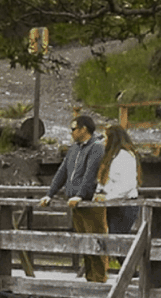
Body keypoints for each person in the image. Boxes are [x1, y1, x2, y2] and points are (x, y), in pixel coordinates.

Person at [41, 114, 107, 282]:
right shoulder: (74, 149)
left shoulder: (96, 147)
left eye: (73, 129)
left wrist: (80, 195)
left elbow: (90, 174)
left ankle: (98, 279)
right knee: (84, 241)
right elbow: (62, 172)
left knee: (96, 240)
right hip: (75, 203)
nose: (71, 133)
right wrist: (50, 194)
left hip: (89, 203)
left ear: (83, 129)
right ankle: (90, 278)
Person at [96, 123, 142, 236]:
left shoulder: (124, 156)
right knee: (110, 237)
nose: (104, 141)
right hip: (114, 204)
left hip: (124, 205)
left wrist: (107, 197)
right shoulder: (112, 156)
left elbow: (128, 185)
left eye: (106, 138)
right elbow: (107, 180)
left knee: (117, 239)